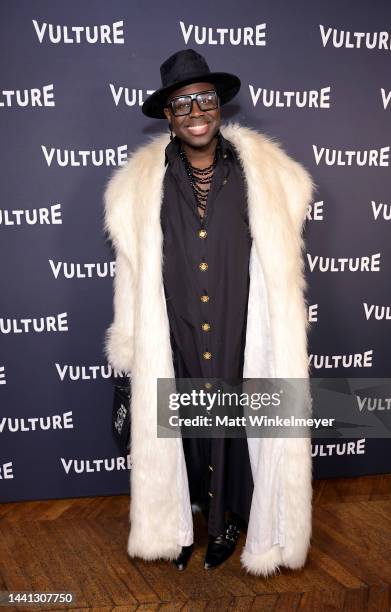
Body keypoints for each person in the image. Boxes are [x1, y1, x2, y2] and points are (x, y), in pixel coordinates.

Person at [104, 48, 315, 576]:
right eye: (183, 103)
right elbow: (130, 278)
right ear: (169, 116)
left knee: (239, 424)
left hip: (244, 328)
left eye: (206, 99)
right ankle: (178, 522)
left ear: (219, 106)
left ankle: (227, 522)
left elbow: (280, 266)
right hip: (170, 329)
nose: (196, 111)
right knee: (184, 429)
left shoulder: (266, 177)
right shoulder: (138, 188)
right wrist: (129, 350)